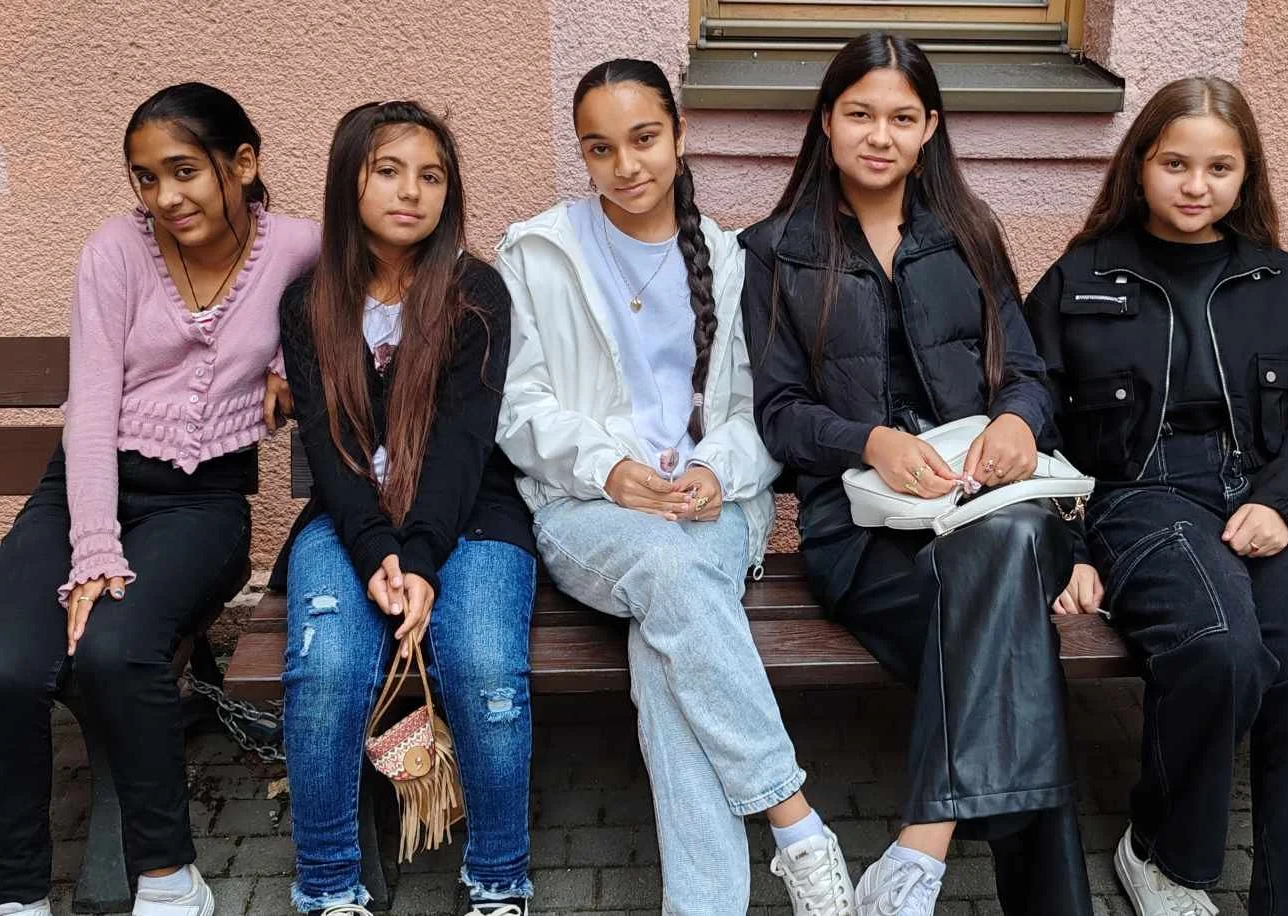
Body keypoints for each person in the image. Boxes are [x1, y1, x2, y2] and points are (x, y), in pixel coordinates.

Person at [741, 31, 1092, 916]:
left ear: (930, 127)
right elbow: (778, 410)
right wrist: (870, 443)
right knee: (1016, 646)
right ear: (826, 122)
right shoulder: (776, 251)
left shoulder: (968, 237)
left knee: (1004, 551)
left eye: (902, 117)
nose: (879, 135)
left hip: (995, 512)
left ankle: (918, 849)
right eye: (860, 113)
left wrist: (1016, 417)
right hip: (861, 539)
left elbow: (1031, 376)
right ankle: (936, 865)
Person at [494, 59, 855, 915]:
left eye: (645, 138)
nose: (627, 165)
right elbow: (518, 406)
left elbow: (756, 414)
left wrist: (711, 472)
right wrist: (607, 470)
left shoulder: (731, 262)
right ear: (582, 156)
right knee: (667, 571)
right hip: (587, 514)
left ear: (680, 134)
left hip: (714, 508)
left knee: (671, 643)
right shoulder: (538, 250)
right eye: (601, 147)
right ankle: (794, 817)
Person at [1023, 75, 1288, 916]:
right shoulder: (1080, 281)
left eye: (1219, 168)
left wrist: (1282, 504)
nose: (1195, 186)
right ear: (1139, 165)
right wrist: (1064, 548)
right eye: (1175, 163)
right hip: (1145, 499)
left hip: (1275, 501)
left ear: (1246, 175)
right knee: (1219, 648)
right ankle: (1163, 855)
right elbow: (1029, 425)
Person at [0, 82, 316, 916]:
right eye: (145, 177)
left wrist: (289, 368)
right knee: (5, 671)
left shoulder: (302, 245)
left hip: (203, 507)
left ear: (243, 163)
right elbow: (88, 406)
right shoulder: (113, 253)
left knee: (114, 651)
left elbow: (354, 316)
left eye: (185, 171)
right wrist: (94, 547)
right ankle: (16, 895)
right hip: (83, 491)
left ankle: (167, 875)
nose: (165, 196)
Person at [275, 100, 536, 916]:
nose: (411, 192)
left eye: (431, 176)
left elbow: (464, 445)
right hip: (349, 521)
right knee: (325, 673)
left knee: (486, 669)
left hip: (472, 517)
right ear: (349, 179)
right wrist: (374, 550)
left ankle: (497, 877)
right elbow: (328, 447)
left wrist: (419, 557)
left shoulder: (474, 292)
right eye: (388, 171)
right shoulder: (310, 299)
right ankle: (327, 885)